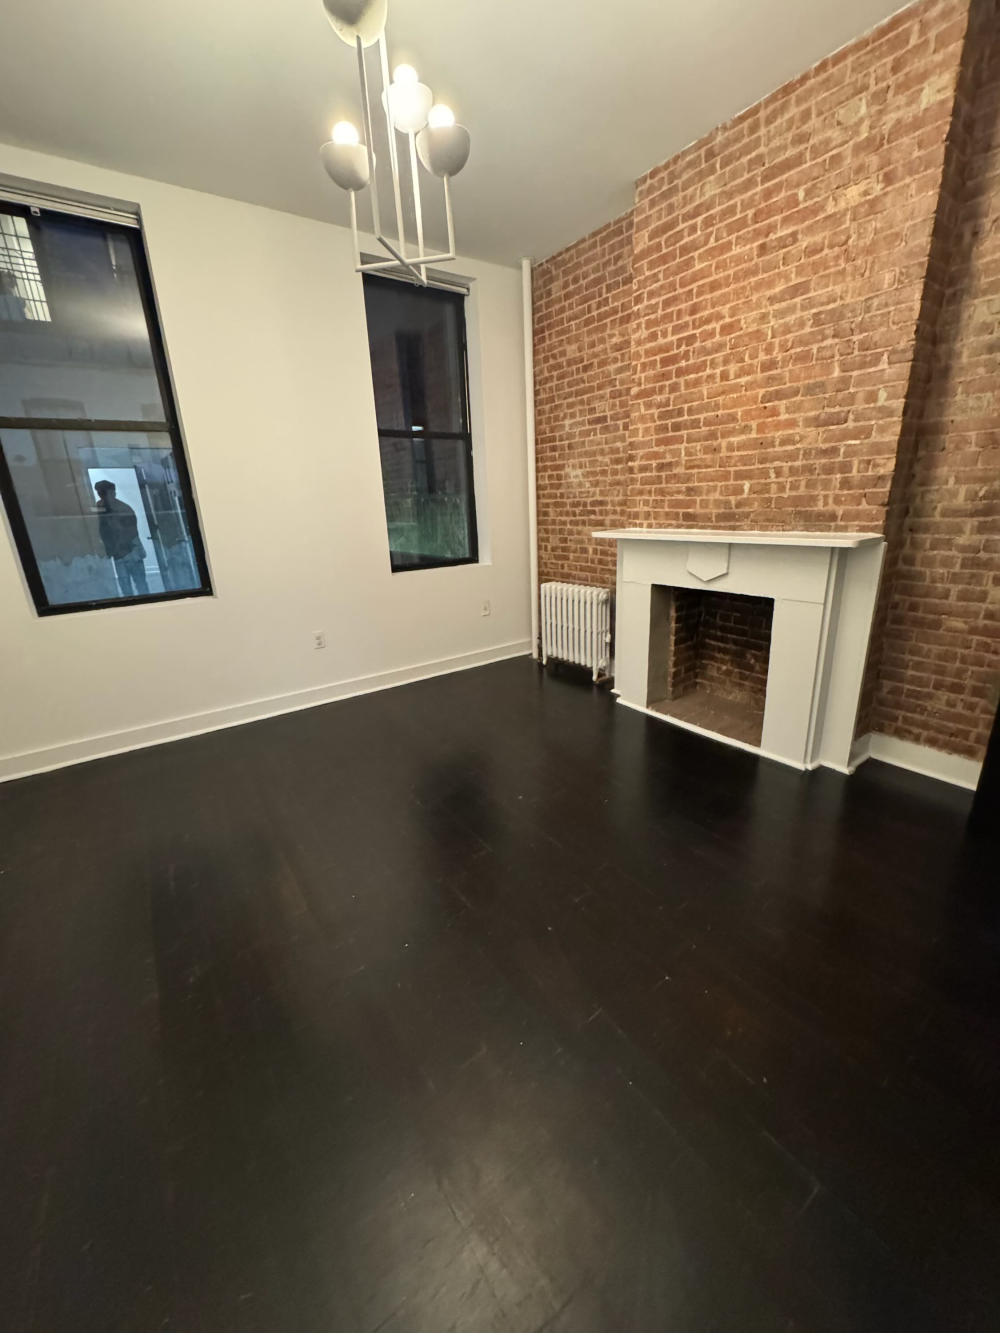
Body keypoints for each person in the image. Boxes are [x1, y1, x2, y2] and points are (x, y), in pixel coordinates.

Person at [93, 480, 150, 597]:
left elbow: (131, 533)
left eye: (103, 493)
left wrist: (118, 546)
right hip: (118, 554)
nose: (101, 496)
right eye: (99, 493)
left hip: (131, 552)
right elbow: (102, 530)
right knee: (125, 588)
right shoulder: (101, 507)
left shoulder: (124, 509)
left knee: (141, 585)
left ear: (112, 493)